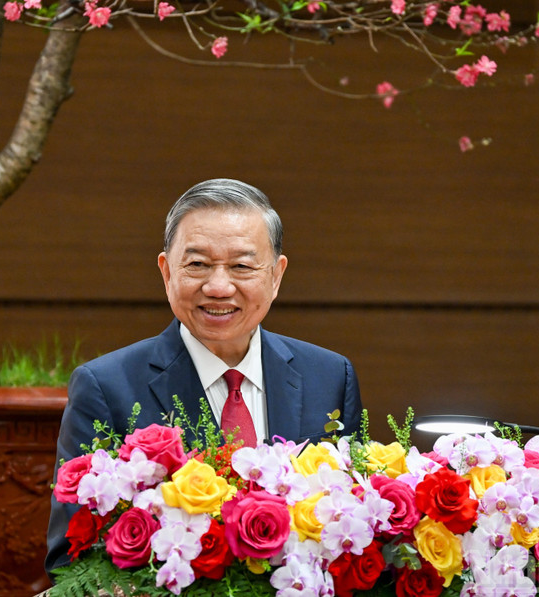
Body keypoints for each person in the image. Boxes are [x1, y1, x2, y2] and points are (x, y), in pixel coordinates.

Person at [45, 178, 362, 575]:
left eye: (242, 266)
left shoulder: (330, 377)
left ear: (276, 276)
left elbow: (355, 534)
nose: (218, 286)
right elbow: (69, 560)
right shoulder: (106, 387)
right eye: (197, 264)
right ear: (166, 272)